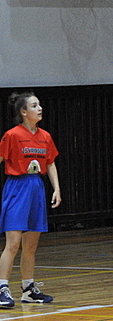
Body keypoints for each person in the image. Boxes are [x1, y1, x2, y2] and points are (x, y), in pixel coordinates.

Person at [0, 92, 61, 308]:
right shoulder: (12, 135)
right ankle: (2, 287)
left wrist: (57, 188)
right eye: (34, 105)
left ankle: (28, 289)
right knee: (13, 243)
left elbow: (50, 163)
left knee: (31, 245)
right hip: (17, 187)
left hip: (36, 187)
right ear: (23, 112)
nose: (40, 108)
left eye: (40, 104)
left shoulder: (45, 136)